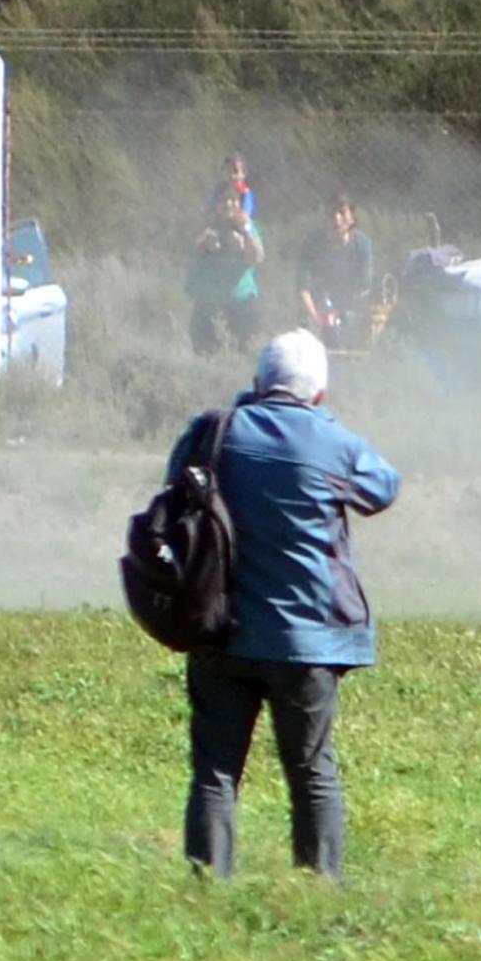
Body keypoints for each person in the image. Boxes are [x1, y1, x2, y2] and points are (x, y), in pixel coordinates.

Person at [169, 329, 400, 882]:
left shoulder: (213, 433)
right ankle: (317, 887)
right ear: (319, 394)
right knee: (312, 769)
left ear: (256, 383)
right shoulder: (333, 442)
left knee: (215, 770)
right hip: (307, 640)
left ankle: (208, 886)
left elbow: (175, 484)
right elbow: (383, 489)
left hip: (220, 630)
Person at [187, 187, 265, 354]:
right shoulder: (207, 226)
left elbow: (258, 258)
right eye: (223, 200)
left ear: (239, 205)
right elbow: (192, 252)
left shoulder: (247, 225)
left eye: (233, 200)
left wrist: (245, 235)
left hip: (242, 302)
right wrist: (206, 245)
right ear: (216, 204)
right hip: (209, 304)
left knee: (245, 354)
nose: (228, 204)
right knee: (205, 355)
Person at [296, 193, 375, 349]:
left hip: (350, 313)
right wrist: (316, 319)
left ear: (352, 218)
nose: (336, 218)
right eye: (332, 213)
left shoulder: (362, 244)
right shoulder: (311, 243)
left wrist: (342, 315)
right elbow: (303, 288)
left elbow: (364, 288)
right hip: (315, 312)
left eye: (342, 213)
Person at [208, 152, 256, 220]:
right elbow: (212, 203)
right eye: (228, 171)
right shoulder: (220, 188)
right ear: (223, 173)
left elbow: (248, 205)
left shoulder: (244, 190)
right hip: (221, 218)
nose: (232, 175)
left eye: (235, 172)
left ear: (243, 174)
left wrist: (245, 213)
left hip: (239, 219)